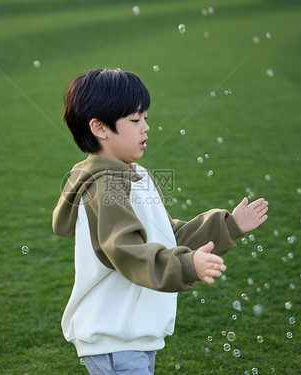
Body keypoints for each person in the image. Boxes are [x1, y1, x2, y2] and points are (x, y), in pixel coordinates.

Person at [52, 68, 268, 375]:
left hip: (134, 334)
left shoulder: (136, 176)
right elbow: (125, 249)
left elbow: (167, 234)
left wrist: (229, 225)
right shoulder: (106, 186)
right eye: (135, 120)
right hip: (115, 336)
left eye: (145, 118)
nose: (146, 128)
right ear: (99, 128)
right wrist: (187, 265)